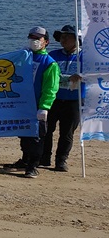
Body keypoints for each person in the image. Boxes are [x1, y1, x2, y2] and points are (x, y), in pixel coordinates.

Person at [4, 26, 59, 179]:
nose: (34, 41)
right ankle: (25, 159)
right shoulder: (24, 57)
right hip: (22, 104)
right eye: (31, 37)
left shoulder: (49, 63)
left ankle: (33, 166)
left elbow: (51, 87)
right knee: (23, 134)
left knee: (36, 136)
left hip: (37, 105)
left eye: (38, 38)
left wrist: (44, 107)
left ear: (46, 42)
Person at [44, 25, 82, 173]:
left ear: (76, 39)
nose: (63, 39)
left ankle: (61, 161)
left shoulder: (85, 57)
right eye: (62, 37)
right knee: (46, 130)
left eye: (67, 36)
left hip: (74, 100)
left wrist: (81, 77)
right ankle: (44, 157)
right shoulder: (52, 55)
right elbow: (45, 74)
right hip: (53, 99)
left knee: (67, 133)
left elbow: (93, 75)